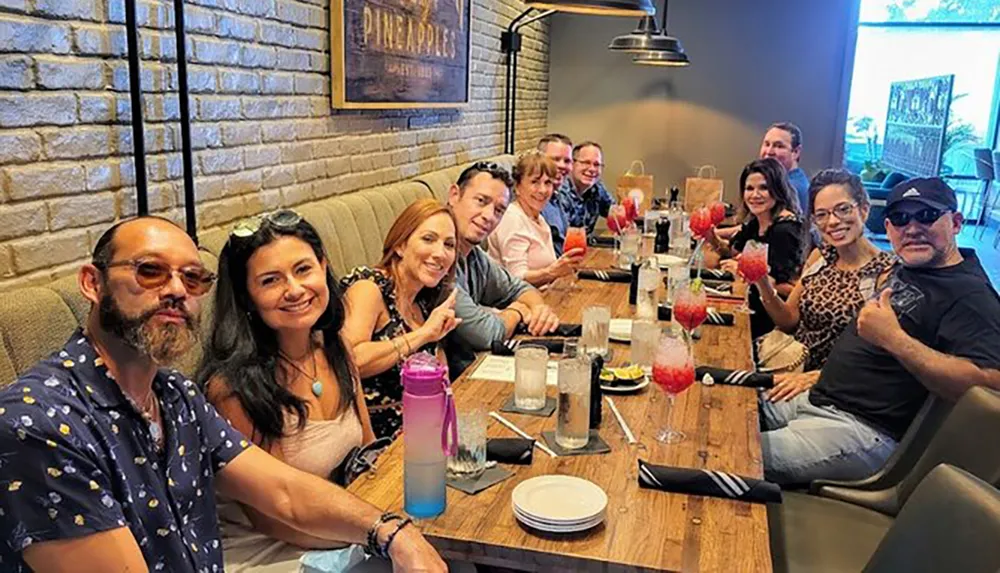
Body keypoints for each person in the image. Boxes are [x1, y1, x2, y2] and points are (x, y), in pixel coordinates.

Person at [0, 217, 445, 573]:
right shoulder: (38, 422)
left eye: (193, 279)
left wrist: (393, 532)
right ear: (92, 284)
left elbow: (285, 491)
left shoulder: (175, 396)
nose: (176, 290)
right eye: (150, 270)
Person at [761, 177, 1000, 485]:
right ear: (888, 227)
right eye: (901, 219)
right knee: (724, 411)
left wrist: (895, 340)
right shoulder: (910, 269)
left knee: (730, 453)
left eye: (927, 215)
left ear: (955, 222)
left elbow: (990, 385)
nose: (912, 228)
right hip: (815, 400)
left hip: (861, 431)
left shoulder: (971, 295)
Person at [196, 210, 386, 570]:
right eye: (270, 280)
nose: (295, 289)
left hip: (342, 527)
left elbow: (369, 451)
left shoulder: (337, 349)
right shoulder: (232, 388)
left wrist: (391, 520)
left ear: (323, 267)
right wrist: (379, 533)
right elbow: (274, 517)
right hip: (270, 551)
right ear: (247, 298)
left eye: (303, 270)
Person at [754, 169, 896, 402]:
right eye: (821, 214)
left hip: (828, 388)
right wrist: (763, 285)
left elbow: (876, 359)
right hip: (786, 364)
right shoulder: (821, 256)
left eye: (843, 209)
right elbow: (788, 320)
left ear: (864, 209)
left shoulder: (885, 273)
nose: (832, 222)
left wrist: (814, 378)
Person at [340, 199, 461, 440]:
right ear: (400, 246)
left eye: (449, 244)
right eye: (428, 239)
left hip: (421, 435)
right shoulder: (369, 288)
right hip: (375, 445)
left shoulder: (424, 303)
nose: (440, 253)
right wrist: (424, 334)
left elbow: (441, 379)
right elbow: (351, 361)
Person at [445, 161, 562, 377]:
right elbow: (486, 334)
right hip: (447, 388)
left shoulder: (474, 255)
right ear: (454, 195)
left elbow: (519, 287)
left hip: (473, 375)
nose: (489, 216)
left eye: (499, 210)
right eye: (481, 201)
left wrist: (539, 310)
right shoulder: (439, 260)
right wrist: (518, 311)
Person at [708, 158, 807, 339]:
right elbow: (732, 252)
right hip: (748, 302)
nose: (755, 195)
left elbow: (783, 285)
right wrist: (711, 236)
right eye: (749, 189)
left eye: (763, 188)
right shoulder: (759, 220)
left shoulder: (785, 230)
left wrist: (743, 269)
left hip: (770, 321)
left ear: (778, 189)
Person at [487, 151, 586, 287]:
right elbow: (516, 278)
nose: (543, 190)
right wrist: (552, 272)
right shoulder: (512, 219)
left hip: (544, 295)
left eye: (548, 183)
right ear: (517, 186)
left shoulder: (538, 218)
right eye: (535, 182)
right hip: (513, 305)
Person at [559, 141, 615, 237]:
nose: (592, 169)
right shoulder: (560, 193)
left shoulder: (597, 188)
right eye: (586, 163)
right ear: (572, 164)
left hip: (586, 248)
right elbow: (562, 238)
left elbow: (615, 213)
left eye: (597, 164)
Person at [760, 122, 809, 216]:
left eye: (779, 146)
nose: (769, 152)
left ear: (796, 152)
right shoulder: (786, 179)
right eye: (766, 144)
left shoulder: (790, 188)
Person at [537, 133, 574, 254]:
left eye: (567, 161)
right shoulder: (534, 201)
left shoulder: (558, 196)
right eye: (555, 159)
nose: (562, 165)